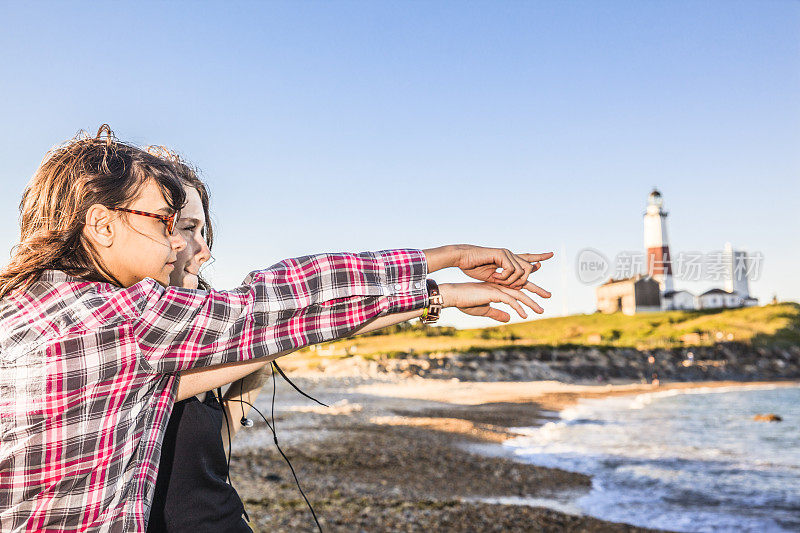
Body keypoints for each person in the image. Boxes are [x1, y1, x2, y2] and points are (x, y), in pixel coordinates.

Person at [0, 127, 552, 532]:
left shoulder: (26, 312)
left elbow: (285, 323)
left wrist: (438, 296)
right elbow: (284, 301)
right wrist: (449, 257)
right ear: (100, 224)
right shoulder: (120, 323)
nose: (180, 245)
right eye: (169, 224)